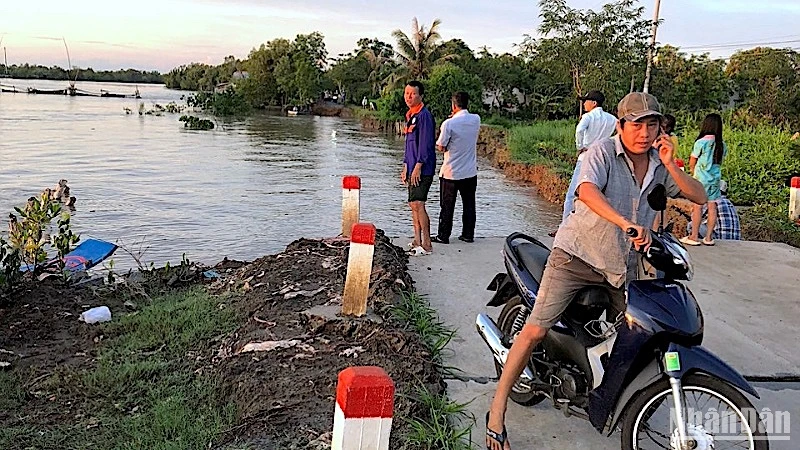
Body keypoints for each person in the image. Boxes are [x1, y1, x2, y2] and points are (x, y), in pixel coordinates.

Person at [485, 92, 707, 450]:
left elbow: (699, 195)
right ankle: (496, 413)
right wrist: (624, 222)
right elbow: (586, 191)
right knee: (535, 330)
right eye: (637, 124)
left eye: (652, 124)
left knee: (640, 332)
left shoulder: (657, 163)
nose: (645, 132)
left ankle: (604, 394)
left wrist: (673, 165)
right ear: (621, 125)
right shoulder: (602, 152)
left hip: (624, 266)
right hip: (578, 256)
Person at [431, 92, 481, 245]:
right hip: (470, 171)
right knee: (469, 204)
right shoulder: (476, 119)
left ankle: (443, 236)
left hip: (451, 172)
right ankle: (468, 234)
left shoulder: (449, 123)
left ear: (453, 105)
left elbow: (441, 146)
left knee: (447, 206)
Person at [562, 90, 618, 223]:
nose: (584, 104)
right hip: (604, 159)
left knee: (572, 193)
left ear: (594, 103)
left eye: (586, 101)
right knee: (598, 193)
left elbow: (579, 130)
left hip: (586, 157)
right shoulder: (611, 119)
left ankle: (565, 224)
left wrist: (580, 146)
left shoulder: (588, 117)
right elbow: (620, 129)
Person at [401, 80, 436, 256]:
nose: (408, 96)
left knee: (419, 204)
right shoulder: (410, 116)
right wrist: (406, 165)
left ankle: (427, 243)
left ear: (420, 96)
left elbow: (426, 145)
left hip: (423, 168)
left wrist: (418, 166)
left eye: (412, 93)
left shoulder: (424, 116)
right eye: (406, 93)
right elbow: (409, 145)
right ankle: (417, 240)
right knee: (412, 204)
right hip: (412, 167)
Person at [681, 113, 727, 247]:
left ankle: (694, 236)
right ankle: (708, 237)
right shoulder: (721, 144)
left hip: (701, 179)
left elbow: (692, 160)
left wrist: (692, 171)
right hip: (715, 179)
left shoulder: (701, 142)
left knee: (697, 207)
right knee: (712, 207)